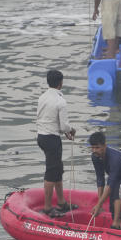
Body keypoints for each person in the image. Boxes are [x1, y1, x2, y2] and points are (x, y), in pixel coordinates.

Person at [35, 68, 77, 216]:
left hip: (41, 136)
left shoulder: (42, 97)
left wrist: (64, 130)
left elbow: (44, 118)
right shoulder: (60, 101)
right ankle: (47, 207)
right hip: (52, 138)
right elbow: (64, 126)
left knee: (57, 168)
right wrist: (70, 130)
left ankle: (61, 202)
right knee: (52, 171)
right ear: (60, 83)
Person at [88, 131, 121, 230]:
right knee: (113, 198)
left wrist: (98, 205)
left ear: (104, 146)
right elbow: (100, 178)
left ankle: (115, 225)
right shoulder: (95, 156)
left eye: (97, 147)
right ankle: (120, 225)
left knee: (118, 189)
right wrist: (100, 203)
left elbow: (110, 184)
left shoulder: (115, 158)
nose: (94, 150)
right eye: (92, 147)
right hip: (117, 178)